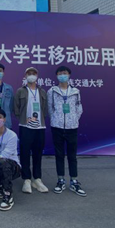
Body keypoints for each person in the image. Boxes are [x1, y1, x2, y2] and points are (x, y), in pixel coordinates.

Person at [47, 66, 86, 197]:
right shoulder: (52, 91)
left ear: (69, 75)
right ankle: (60, 180)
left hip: (72, 127)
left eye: (65, 73)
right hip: (57, 127)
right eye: (60, 73)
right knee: (59, 155)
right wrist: (56, 119)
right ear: (56, 76)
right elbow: (50, 108)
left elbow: (79, 108)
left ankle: (74, 181)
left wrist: (73, 119)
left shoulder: (75, 91)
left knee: (72, 156)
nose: (62, 75)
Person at [14, 67, 49, 194]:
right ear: (25, 75)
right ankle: (27, 179)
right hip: (25, 126)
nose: (32, 75)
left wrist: (40, 119)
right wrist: (24, 119)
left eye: (34, 73)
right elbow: (16, 108)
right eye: (29, 73)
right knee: (24, 153)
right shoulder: (20, 91)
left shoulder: (42, 92)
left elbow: (45, 110)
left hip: (40, 127)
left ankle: (37, 179)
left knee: (38, 153)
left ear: (37, 76)